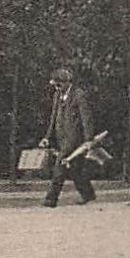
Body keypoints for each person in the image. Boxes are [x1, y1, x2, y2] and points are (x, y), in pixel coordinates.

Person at [41, 68, 98, 207]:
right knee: (75, 170)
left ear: (67, 82)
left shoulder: (78, 95)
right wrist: (47, 137)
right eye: (55, 85)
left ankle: (51, 199)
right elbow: (53, 118)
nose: (57, 88)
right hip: (61, 138)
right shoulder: (57, 96)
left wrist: (89, 139)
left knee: (60, 166)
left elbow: (86, 118)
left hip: (75, 140)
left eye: (59, 85)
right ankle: (88, 194)